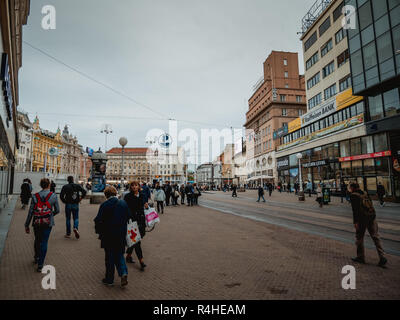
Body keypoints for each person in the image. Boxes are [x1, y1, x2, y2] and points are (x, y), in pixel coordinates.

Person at [94, 186, 129, 287]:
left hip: (108, 235)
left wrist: (99, 231)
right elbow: (128, 216)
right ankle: (123, 273)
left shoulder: (104, 205)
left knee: (109, 257)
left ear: (106, 195)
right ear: (115, 193)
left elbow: (98, 220)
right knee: (119, 254)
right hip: (121, 234)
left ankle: (109, 279)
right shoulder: (123, 203)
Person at [24, 178, 60, 272]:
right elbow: (57, 210)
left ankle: (36, 257)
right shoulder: (53, 196)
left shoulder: (35, 196)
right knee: (44, 241)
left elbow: (31, 211)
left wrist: (27, 224)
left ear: (41, 185)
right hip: (48, 222)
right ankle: (40, 264)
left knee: (37, 240)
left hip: (37, 222)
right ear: (49, 185)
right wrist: (50, 214)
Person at [349, 183, 387, 268]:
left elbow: (355, 210)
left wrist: (355, 222)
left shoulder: (353, 196)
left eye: (350, 188)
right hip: (372, 216)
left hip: (362, 219)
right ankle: (382, 256)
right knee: (375, 237)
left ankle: (360, 257)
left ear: (352, 188)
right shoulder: (365, 193)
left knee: (359, 238)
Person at [124, 181, 148, 271]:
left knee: (137, 238)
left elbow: (145, 206)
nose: (134, 187)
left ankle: (129, 255)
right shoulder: (128, 196)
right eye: (133, 185)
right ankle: (141, 261)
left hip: (141, 220)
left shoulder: (142, 195)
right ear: (131, 187)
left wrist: (146, 206)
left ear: (139, 186)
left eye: (136, 185)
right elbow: (126, 208)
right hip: (132, 221)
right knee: (137, 241)